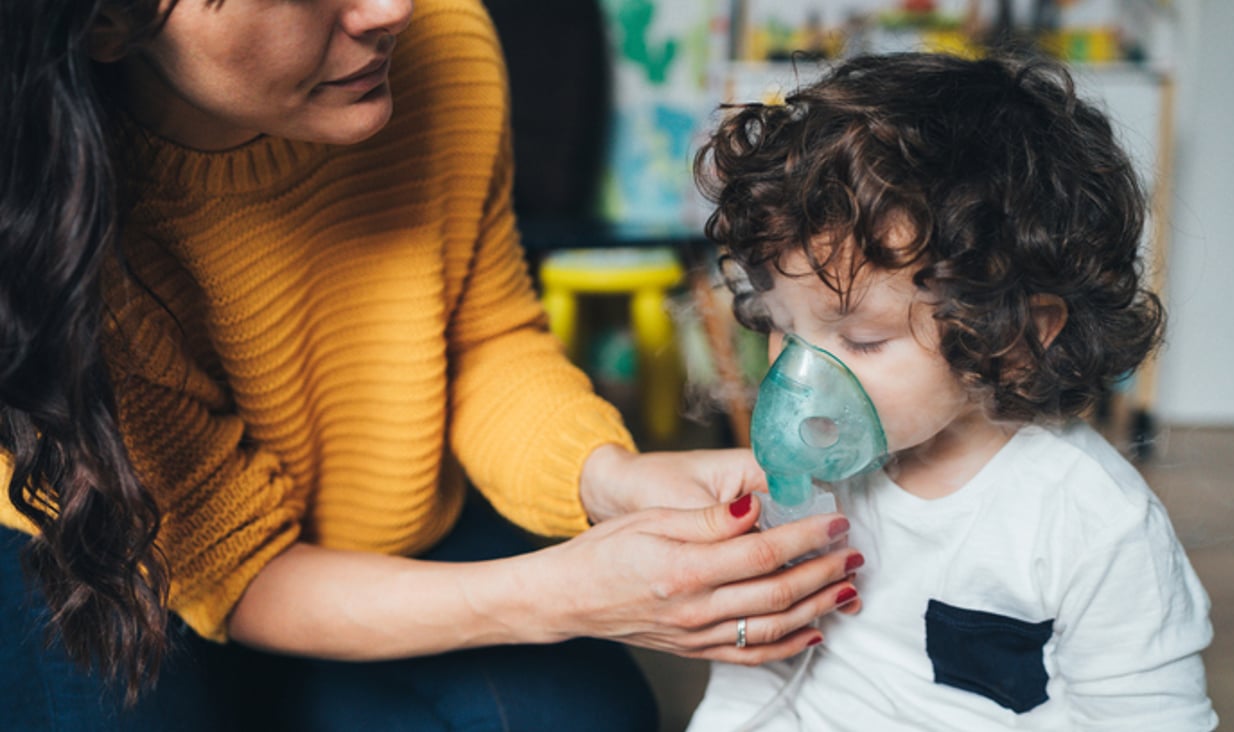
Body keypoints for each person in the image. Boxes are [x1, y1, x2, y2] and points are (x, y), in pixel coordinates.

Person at [0, 0, 866, 729]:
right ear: (108, 20)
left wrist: (609, 480)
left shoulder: (442, 42)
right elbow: (241, 568)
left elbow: (482, 340)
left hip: (387, 512)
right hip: (113, 555)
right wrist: (559, 594)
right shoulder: (53, 212)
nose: (390, 10)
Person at [687, 52, 1217, 730]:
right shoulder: (814, 476)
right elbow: (760, 662)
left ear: (1014, 335)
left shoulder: (1094, 525)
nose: (801, 378)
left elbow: (1147, 719)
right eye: (784, 328)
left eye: (864, 341)